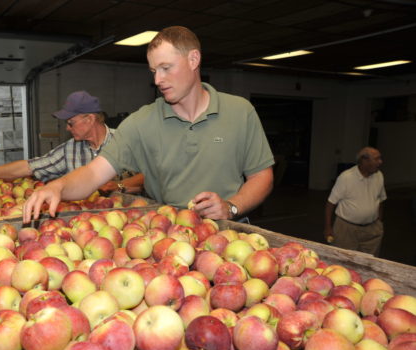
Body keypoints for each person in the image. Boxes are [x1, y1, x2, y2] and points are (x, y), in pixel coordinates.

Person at [23, 26, 274, 223]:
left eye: (166, 68)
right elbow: (93, 173)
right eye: (154, 71)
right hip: (170, 237)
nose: (158, 79)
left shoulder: (239, 112)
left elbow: (262, 175)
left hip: (232, 234)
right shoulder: (142, 122)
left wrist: (231, 207)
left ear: (194, 59)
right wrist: (58, 186)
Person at [0, 90, 144, 195]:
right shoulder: (69, 150)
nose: (67, 128)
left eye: (70, 123)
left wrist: (119, 185)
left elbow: (150, 174)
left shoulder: (123, 140)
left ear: (89, 119)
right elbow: (29, 167)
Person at [324, 147, 386, 256]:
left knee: (370, 263)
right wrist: (328, 227)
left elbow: (381, 200)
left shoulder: (379, 176)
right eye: (376, 159)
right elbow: (330, 203)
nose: (380, 162)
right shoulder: (346, 178)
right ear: (364, 160)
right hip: (346, 229)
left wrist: (379, 222)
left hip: (372, 230)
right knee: (343, 261)